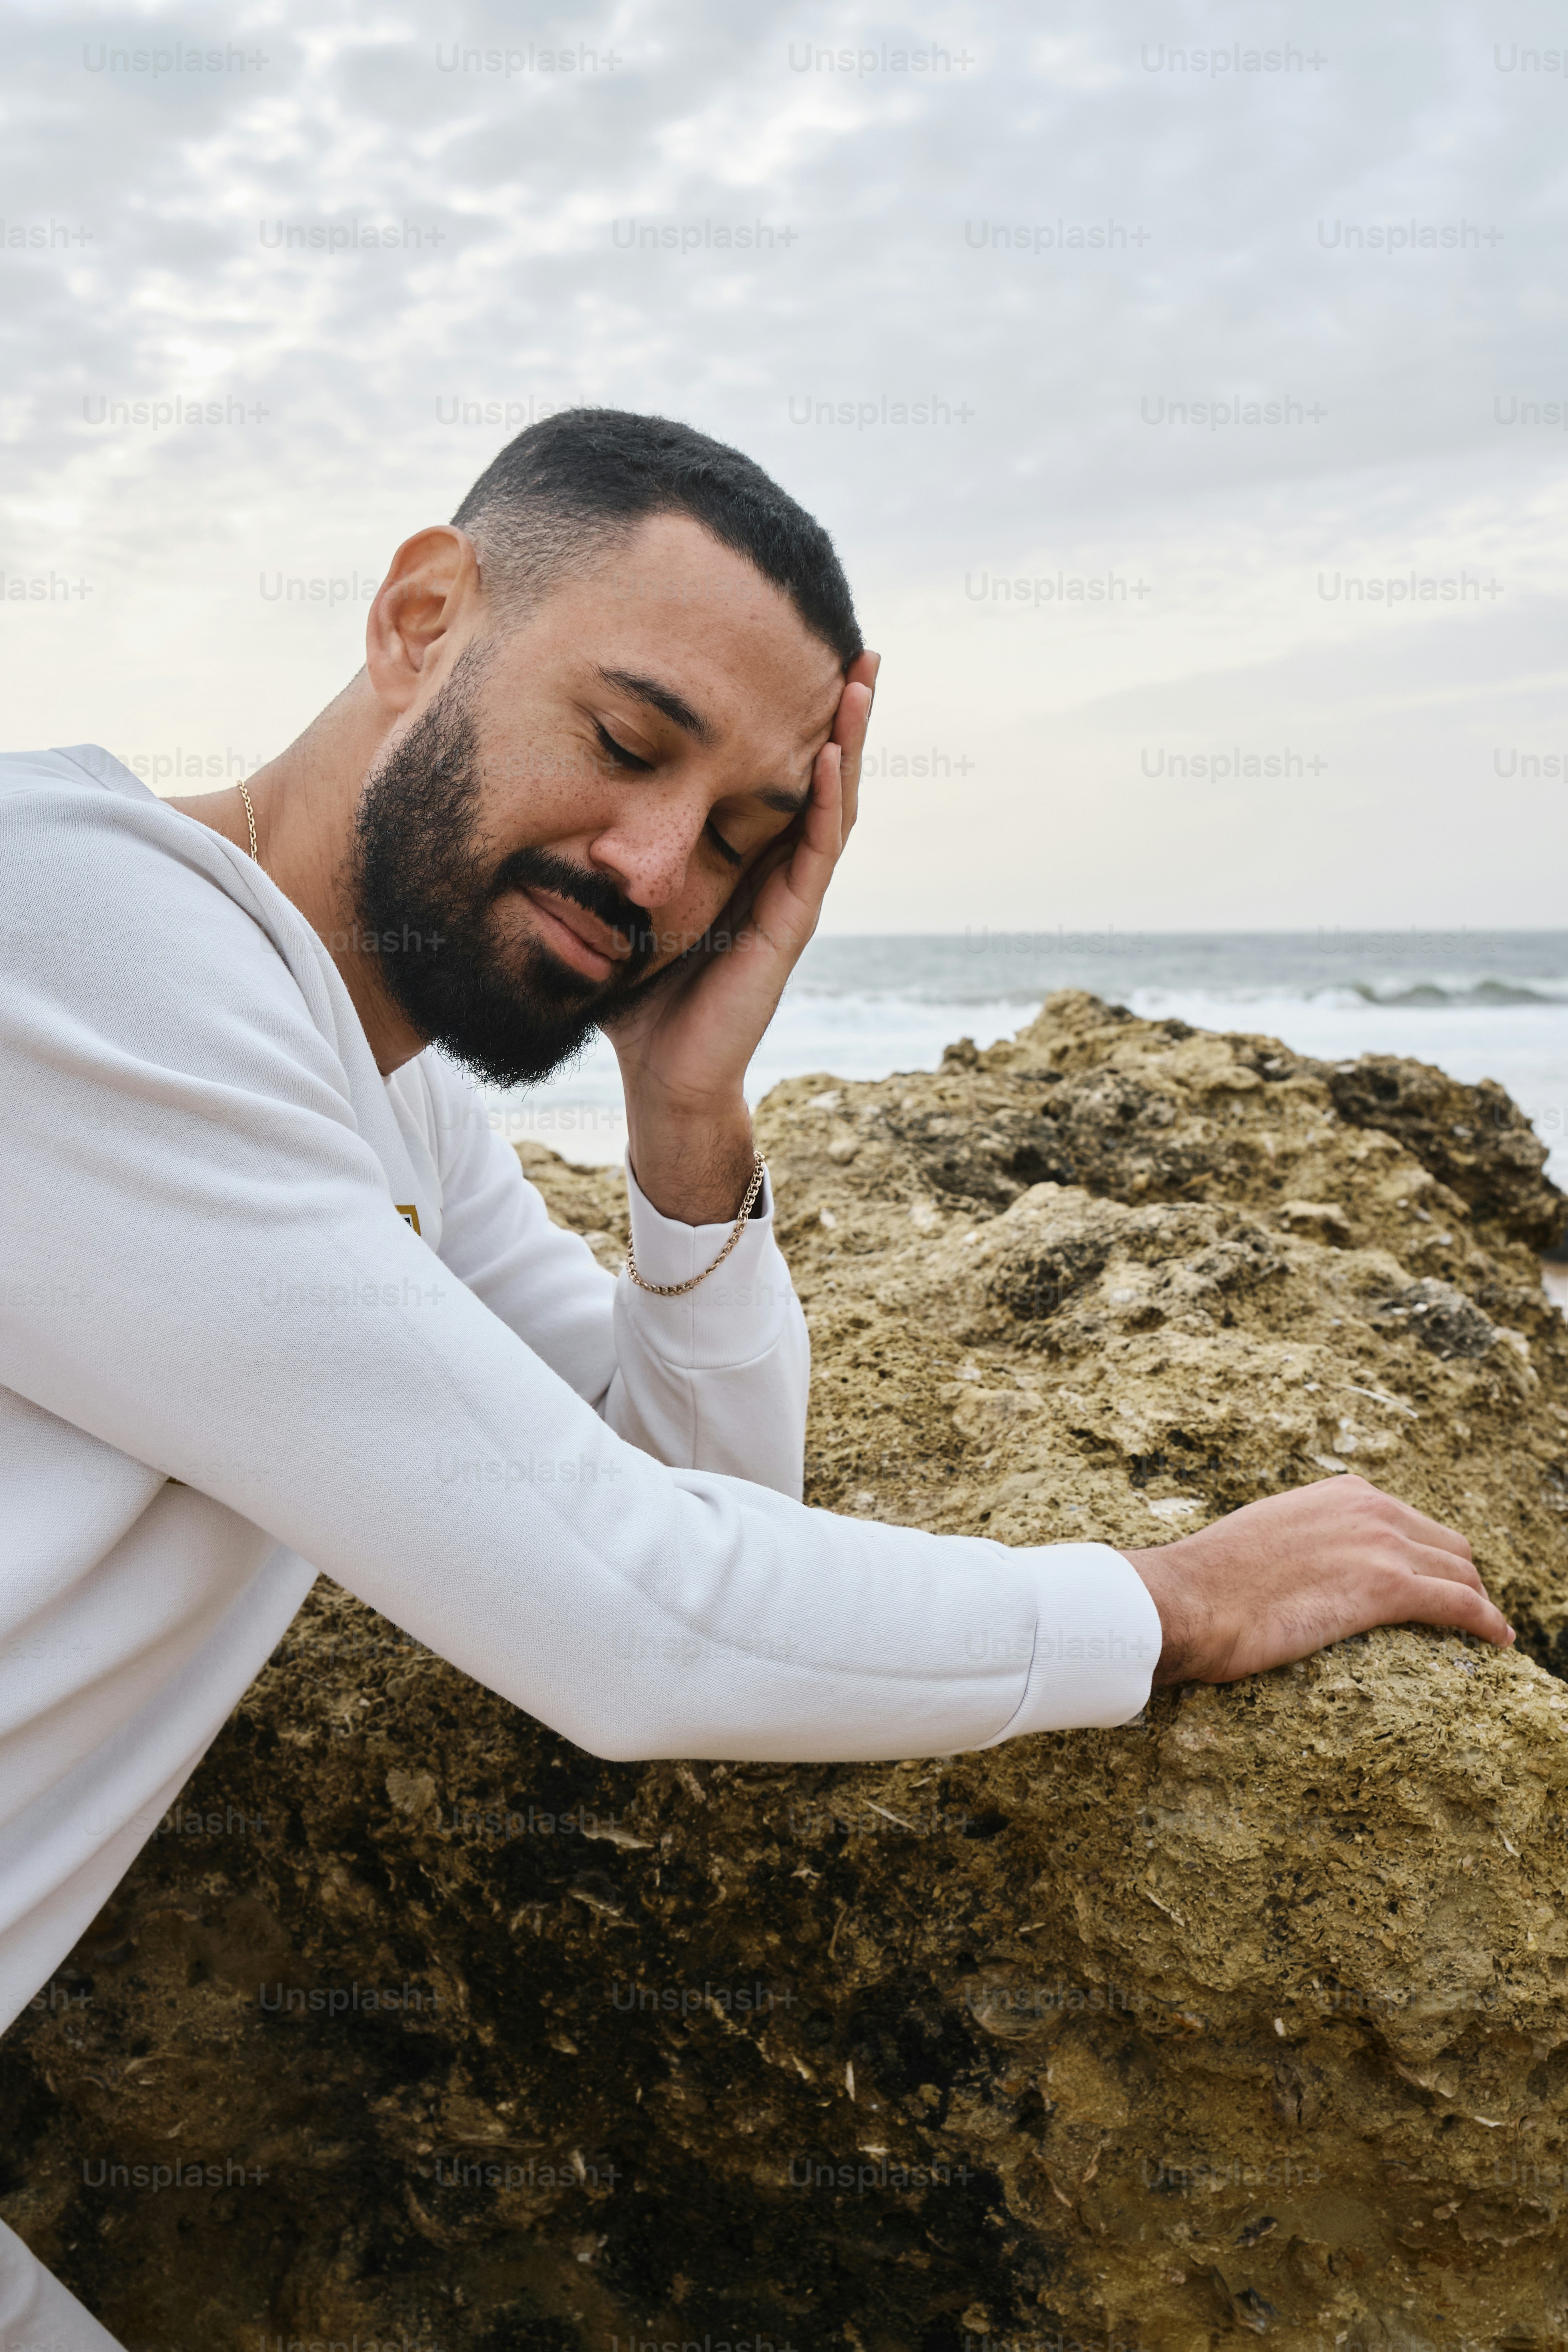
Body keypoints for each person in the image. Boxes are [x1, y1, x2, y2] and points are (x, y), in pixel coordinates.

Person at [0, 409, 1510, 2352]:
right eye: (630, 744)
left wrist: (690, 1112)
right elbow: (638, 1621)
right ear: (422, 613)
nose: (651, 866)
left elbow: (688, 1485)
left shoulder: (372, 1089)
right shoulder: (73, 942)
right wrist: (1162, 1605)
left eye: (735, 834)